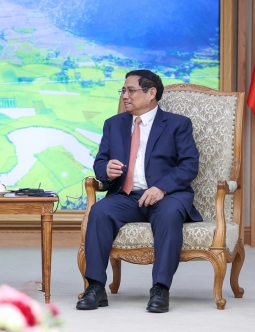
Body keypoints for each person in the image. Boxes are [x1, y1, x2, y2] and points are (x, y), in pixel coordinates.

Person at [76, 69, 201, 313]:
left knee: (168, 215)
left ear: (151, 92)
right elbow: (100, 163)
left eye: (130, 90)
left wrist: (162, 188)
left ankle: (160, 289)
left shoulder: (177, 124)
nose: (125, 96)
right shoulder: (113, 124)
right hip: (127, 197)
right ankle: (95, 287)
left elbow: (189, 165)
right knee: (99, 212)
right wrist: (106, 170)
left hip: (166, 196)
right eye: (123, 90)